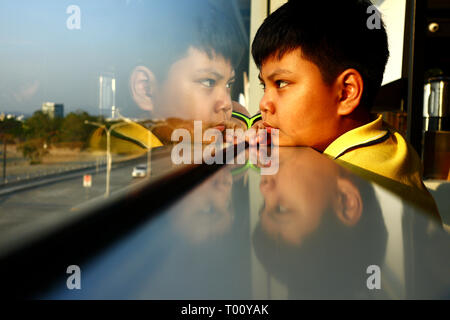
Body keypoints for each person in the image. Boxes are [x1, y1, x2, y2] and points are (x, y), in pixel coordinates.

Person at [250, 0, 431, 194]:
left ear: (346, 93)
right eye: (264, 86)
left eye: (281, 83)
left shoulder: (357, 182)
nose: (264, 104)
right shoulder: (385, 142)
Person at [89, 0, 249, 153]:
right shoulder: (136, 161)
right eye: (208, 81)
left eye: (228, 84)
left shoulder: (179, 145)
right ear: (145, 89)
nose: (226, 104)